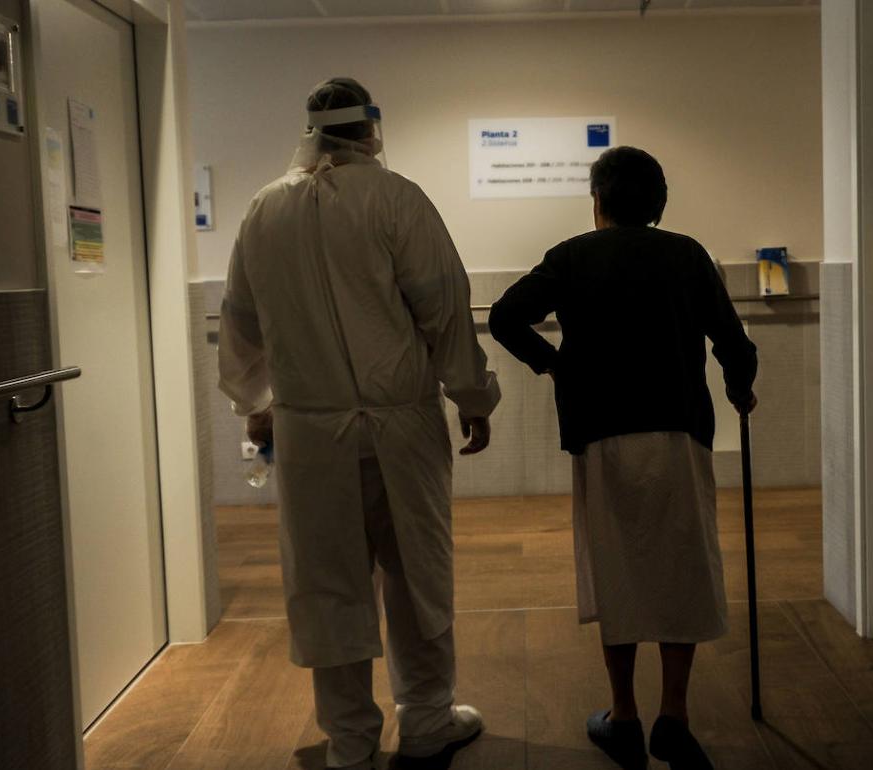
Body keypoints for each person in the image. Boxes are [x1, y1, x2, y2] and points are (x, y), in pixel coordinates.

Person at [218, 77, 501, 770]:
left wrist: (254, 404)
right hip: (401, 427)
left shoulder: (263, 210)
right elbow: (444, 307)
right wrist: (473, 397)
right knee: (417, 575)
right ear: (371, 129)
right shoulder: (397, 198)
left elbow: (241, 324)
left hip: (311, 432)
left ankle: (349, 741)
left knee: (327, 584)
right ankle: (428, 720)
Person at [489, 146, 757, 770]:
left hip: (602, 432)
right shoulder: (687, 255)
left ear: (599, 201)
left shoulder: (573, 255)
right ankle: (675, 717)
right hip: (679, 429)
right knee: (684, 567)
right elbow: (731, 340)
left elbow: (505, 317)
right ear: (660, 203)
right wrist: (741, 386)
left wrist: (554, 364)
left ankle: (624, 717)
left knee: (616, 568)